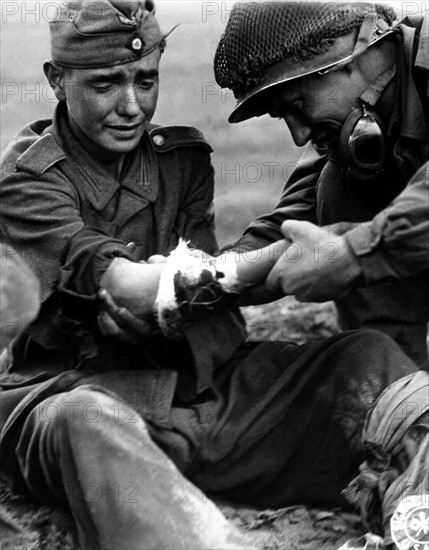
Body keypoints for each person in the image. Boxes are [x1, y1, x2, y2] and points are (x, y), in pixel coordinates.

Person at [0, 1, 425, 549]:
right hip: (87, 395)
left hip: (203, 398)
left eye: (145, 80)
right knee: (84, 419)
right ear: (57, 81)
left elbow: (209, 304)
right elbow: (145, 284)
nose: (130, 105)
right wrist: (251, 271)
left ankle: (416, 519)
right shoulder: (25, 181)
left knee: (364, 359)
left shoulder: (181, 161)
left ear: (354, 60)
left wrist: (190, 297)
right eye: (106, 84)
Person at [214, 1, 429, 369]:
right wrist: (199, 280)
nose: (299, 136)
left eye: (297, 105)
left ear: (355, 54)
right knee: (337, 186)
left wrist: (352, 254)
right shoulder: (349, 134)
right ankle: (405, 397)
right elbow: (293, 225)